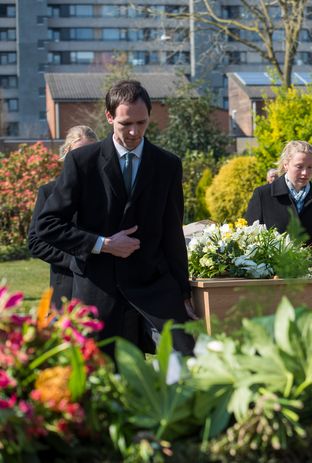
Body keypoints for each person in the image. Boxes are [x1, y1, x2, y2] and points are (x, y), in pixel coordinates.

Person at [37, 80, 195, 356]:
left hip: (154, 287)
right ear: (109, 117)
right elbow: (47, 225)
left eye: (141, 122)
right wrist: (103, 243)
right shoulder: (82, 162)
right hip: (99, 290)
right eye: (125, 123)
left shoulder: (167, 165)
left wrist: (184, 293)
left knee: (185, 362)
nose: (134, 132)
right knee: (105, 382)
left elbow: (172, 233)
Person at [27, 125, 98, 309]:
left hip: (101, 289)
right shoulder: (49, 191)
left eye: (91, 154)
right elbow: (36, 242)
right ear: (67, 153)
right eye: (79, 154)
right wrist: (74, 261)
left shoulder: (106, 192)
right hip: (66, 287)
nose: (85, 160)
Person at [245, 141, 312, 243]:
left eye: (310, 167)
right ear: (286, 164)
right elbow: (248, 237)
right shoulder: (263, 195)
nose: (305, 173)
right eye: (299, 166)